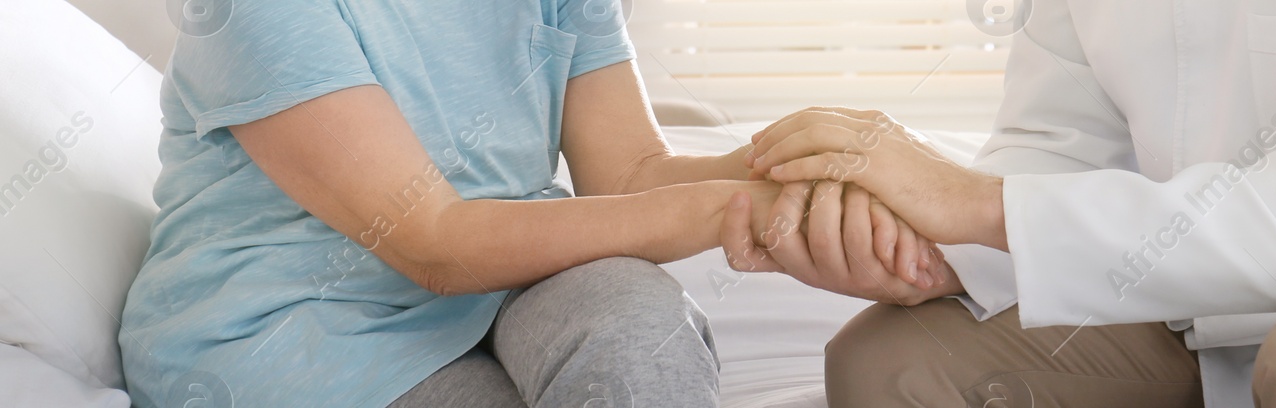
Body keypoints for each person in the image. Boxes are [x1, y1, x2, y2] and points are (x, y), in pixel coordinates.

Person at [724, 0, 1276, 406]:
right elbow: (1052, 154)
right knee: (894, 363)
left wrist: (972, 201)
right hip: (1192, 304)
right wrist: (921, 247)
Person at [116, 0, 934, 406]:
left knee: (639, 329)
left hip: (507, 270)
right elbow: (433, 242)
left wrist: (791, 170)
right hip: (302, 325)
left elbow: (631, 177)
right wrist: (731, 211)